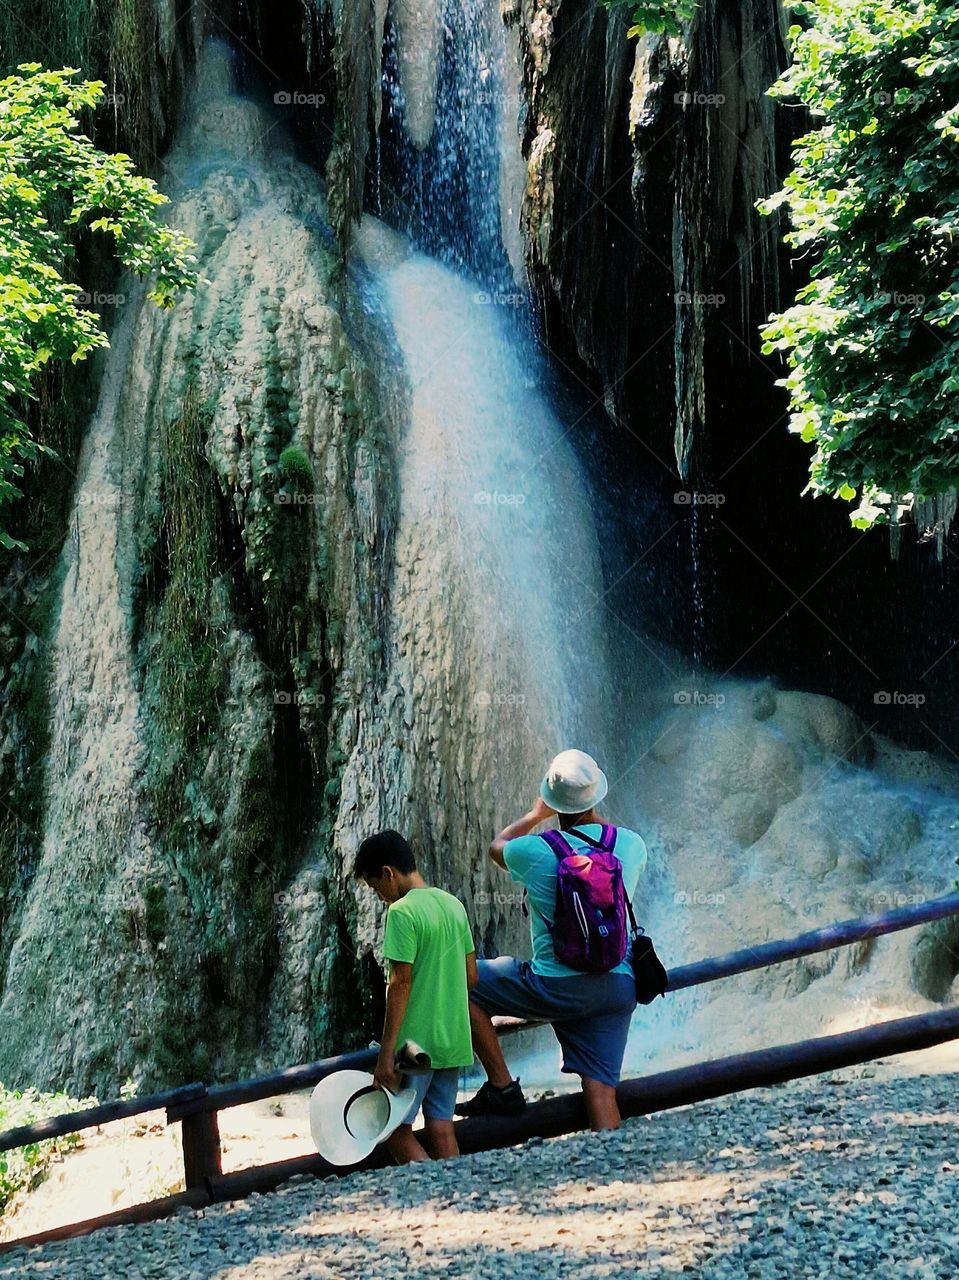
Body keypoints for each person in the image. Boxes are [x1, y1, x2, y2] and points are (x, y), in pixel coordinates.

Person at [457, 749, 647, 1132]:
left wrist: (535, 816)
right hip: (616, 987)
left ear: (551, 799)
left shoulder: (535, 850)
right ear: (597, 796)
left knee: (463, 984)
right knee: (601, 1091)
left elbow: (496, 847)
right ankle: (611, 1159)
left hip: (555, 987)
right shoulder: (631, 845)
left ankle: (501, 1085)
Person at [354, 829, 477, 1162]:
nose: (379, 895)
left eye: (374, 886)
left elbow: (400, 984)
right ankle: (458, 1190)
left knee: (393, 1129)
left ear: (388, 873)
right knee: (441, 1125)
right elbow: (471, 976)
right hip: (453, 1040)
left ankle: (432, 1187)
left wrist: (386, 1056)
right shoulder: (454, 906)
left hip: (415, 1046)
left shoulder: (402, 912)